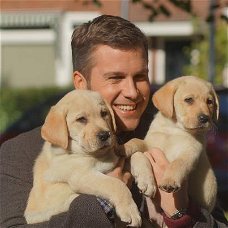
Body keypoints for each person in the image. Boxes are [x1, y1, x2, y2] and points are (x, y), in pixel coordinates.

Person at [0, 15, 227, 228]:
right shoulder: (20, 152)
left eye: (140, 77)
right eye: (115, 78)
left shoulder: (162, 135)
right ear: (80, 82)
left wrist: (181, 213)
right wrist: (103, 202)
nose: (132, 92)